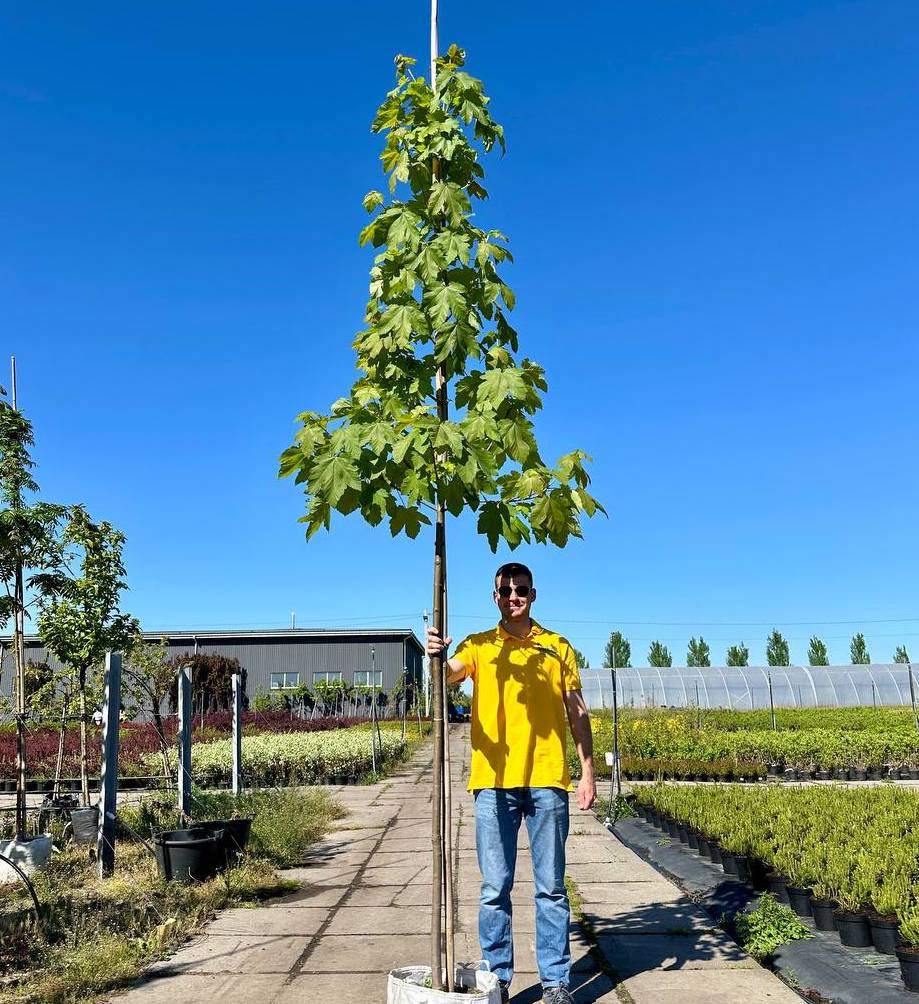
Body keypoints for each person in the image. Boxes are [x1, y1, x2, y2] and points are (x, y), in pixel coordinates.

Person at [426, 561, 596, 1004]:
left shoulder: (557, 647)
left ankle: (556, 982)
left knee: (551, 889)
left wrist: (588, 771)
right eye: (505, 591)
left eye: (521, 590)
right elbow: (448, 673)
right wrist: (436, 656)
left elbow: (577, 712)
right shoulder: (479, 646)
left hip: (547, 780)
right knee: (494, 888)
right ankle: (497, 979)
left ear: (533, 595)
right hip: (493, 782)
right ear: (495, 597)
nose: (513, 597)